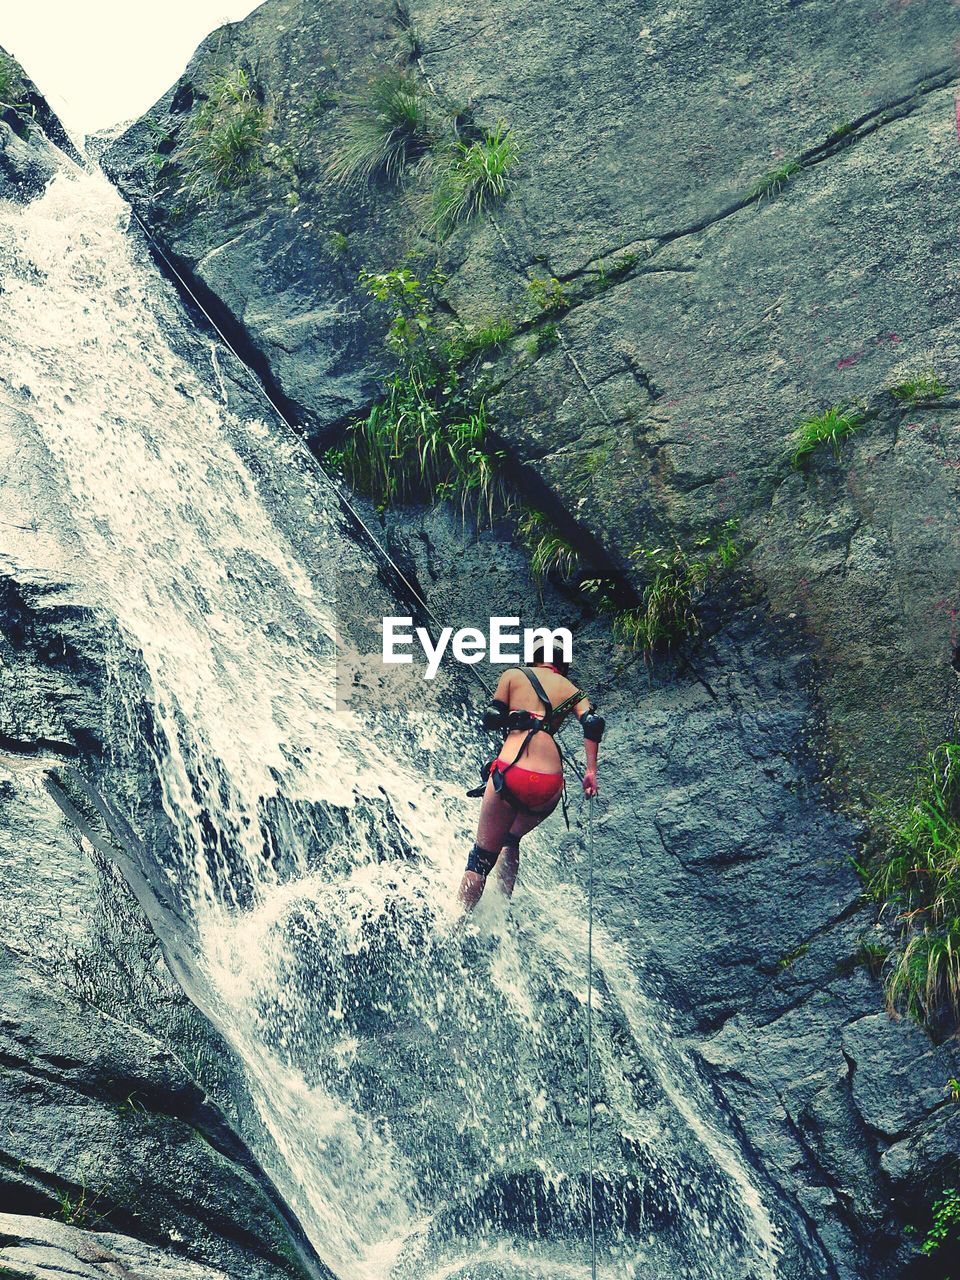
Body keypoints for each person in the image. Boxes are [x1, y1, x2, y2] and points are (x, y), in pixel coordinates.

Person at [457, 646, 605, 911]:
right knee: (511, 838)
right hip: (550, 784)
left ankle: (456, 926)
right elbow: (593, 723)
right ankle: (502, 912)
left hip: (513, 772)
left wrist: (510, 718)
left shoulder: (514, 675)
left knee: (480, 859)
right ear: (561, 666)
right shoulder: (572, 690)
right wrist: (590, 772)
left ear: (533, 659)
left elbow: (491, 718)